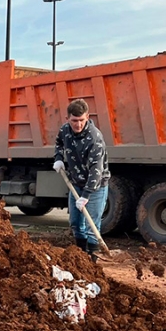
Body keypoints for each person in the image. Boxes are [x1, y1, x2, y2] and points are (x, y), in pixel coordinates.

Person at [53, 98, 110, 259]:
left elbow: (96, 171)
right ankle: (81, 255)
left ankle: (92, 260)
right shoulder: (65, 130)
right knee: (76, 223)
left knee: (92, 226)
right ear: (67, 119)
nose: (78, 124)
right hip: (76, 183)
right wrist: (58, 158)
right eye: (74, 121)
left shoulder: (94, 138)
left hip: (96, 186)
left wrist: (86, 196)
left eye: (81, 120)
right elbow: (58, 143)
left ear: (88, 117)